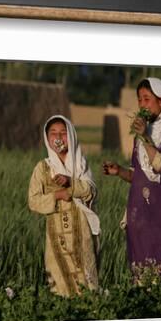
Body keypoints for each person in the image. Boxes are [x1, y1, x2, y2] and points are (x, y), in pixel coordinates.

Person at [102, 78, 161, 283]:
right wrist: (118, 170)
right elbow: (138, 173)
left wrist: (145, 137)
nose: (142, 105)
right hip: (140, 212)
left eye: (147, 99)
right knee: (145, 261)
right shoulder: (139, 136)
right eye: (140, 100)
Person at [28, 115, 100, 297]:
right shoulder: (42, 168)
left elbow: (90, 191)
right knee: (59, 282)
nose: (58, 137)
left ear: (72, 136)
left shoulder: (80, 164)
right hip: (55, 238)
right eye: (53, 133)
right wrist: (57, 195)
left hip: (81, 234)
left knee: (86, 281)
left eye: (63, 132)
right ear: (47, 138)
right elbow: (33, 201)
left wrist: (70, 183)